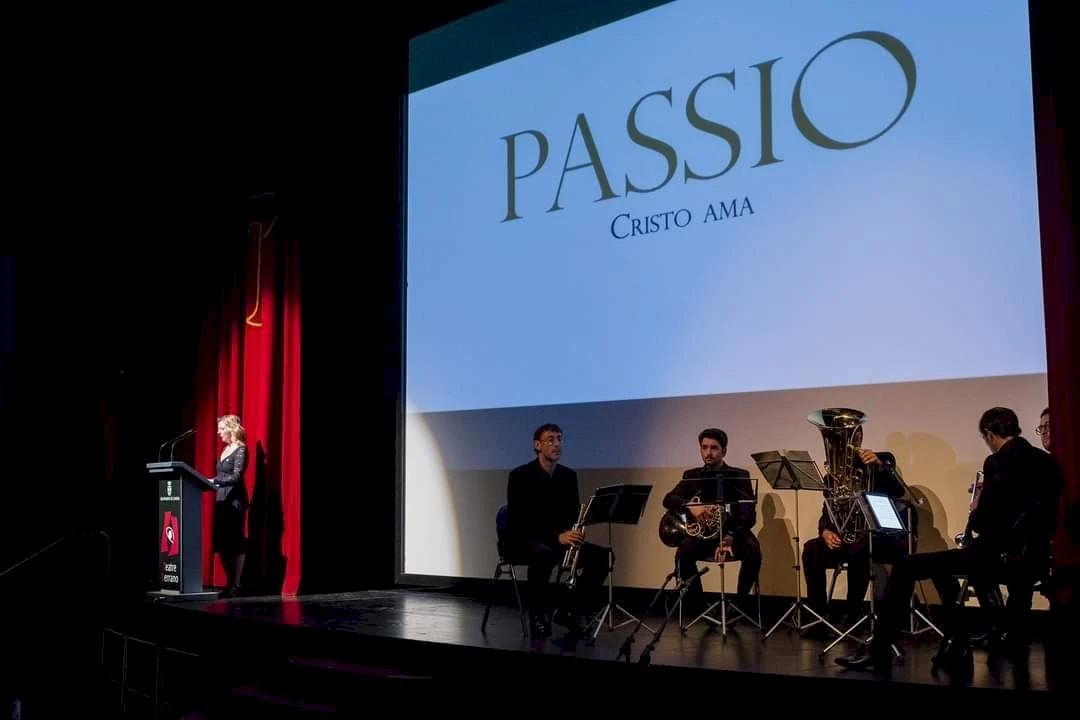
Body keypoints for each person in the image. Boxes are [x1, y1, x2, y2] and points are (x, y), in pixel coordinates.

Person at [836, 406, 1064, 675]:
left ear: (989, 434)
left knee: (907, 566)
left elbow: (983, 522)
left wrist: (978, 502)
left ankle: (880, 651)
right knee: (944, 571)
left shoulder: (998, 461)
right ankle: (957, 639)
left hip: (995, 555)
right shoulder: (1048, 462)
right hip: (1033, 558)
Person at [801, 424, 914, 629]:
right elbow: (827, 511)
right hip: (846, 537)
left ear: (860, 436)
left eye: (851, 435)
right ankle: (818, 615)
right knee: (811, 549)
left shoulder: (882, 460)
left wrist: (879, 466)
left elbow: (897, 492)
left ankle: (852, 614)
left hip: (878, 537)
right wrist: (825, 531)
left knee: (859, 549)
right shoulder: (831, 475)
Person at [506, 423, 609, 637]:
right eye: (550, 440)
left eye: (560, 439)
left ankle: (569, 609)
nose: (557, 444)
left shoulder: (568, 476)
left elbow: (572, 515)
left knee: (603, 557)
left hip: (559, 539)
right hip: (525, 539)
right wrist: (557, 537)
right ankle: (537, 616)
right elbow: (521, 520)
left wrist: (576, 530)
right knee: (543, 555)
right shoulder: (519, 475)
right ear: (537, 445)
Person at [662, 428, 761, 619]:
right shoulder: (692, 475)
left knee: (753, 551)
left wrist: (729, 537)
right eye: (704, 447)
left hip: (734, 533)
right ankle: (700, 606)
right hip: (705, 535)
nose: (708, 452)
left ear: (724, 451)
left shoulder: (739, 475)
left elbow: (749, 516)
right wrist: (691, 506)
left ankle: (738, 606)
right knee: (683, 553)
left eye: (714, 448)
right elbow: (668, 499)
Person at [211, 414, 249, 598]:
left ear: (230, 429)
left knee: (234, 541)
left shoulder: (241, 450)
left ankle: (236, 584)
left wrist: (214, 480)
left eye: (221, 429)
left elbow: (237, 477)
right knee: (222, 542)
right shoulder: (225, 449)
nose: (218, 432)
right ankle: (229, 582)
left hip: (235, 500)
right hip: (222, 499)